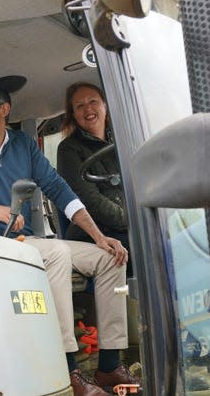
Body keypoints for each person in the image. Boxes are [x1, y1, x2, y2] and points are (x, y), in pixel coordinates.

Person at [0, 77, 140, 395]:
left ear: (4, 108)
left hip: (26, 242)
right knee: (56, 252)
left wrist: (99, 236)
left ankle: (109, 367)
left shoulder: (24, 145)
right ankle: (69, 370)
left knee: (110, 256)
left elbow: (59, 189)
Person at [57, 82, 132, 277]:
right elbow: (89, 200)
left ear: (105, 106)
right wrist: (131, 220)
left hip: (129, 224)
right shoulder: (69, 150)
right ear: (73, 114)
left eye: (93, 101)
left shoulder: (123, 141)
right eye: (80, 106)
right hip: (95, 232)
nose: (88, 109)